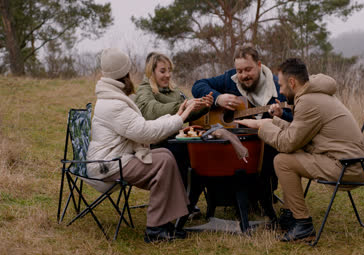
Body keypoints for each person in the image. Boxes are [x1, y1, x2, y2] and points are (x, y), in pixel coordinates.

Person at [235, 58, 364, 242]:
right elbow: (299, 134)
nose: (279, 91)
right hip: (347, 161)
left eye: (280, 86)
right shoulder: (314, 95)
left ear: (292, 82)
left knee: (283, 161)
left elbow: (288, 143)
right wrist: (269, 122)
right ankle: (291, 216)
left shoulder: (308, 102)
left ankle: (303, 225)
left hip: (347, 167)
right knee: (289, 156)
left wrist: (261, 128)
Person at [86, 48, 196, 243]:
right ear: (124, 74)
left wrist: (176, 116)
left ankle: (169, 222)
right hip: (107, 166)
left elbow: (142, 127)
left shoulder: (112, 97)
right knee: (162, 162)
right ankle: (155, 229)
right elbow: (146, 132)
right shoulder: (114, 104)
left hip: (115, 158)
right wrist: (182, 118)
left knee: (165, 156)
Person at [191, 45, 293, 223]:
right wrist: (218, 98)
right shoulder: (229, 79)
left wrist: (281, 114)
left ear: (259, 65)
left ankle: (263, 198)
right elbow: (198, 86)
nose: (244, 75)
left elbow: (292, 119)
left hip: (262, 150)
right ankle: (219, 198)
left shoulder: (277, 88)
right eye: (240, 70)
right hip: (230, 149)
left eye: (248, 69)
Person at [134, 52, 213, 217]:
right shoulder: (144, 90)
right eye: (163, 71)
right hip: (154, 143)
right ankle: (182, 206)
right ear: (151, 72)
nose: (168, 75)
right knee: (184, 155)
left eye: (169, 70)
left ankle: (189, 203)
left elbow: (183, 115)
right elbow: (150, 111)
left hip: (174, 139)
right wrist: (184, 106)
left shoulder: (172, 89)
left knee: (202, 154)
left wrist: (203, 106)